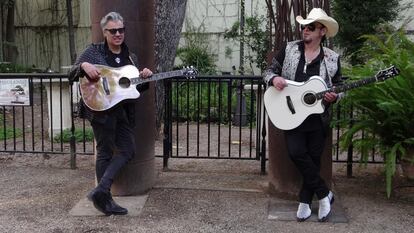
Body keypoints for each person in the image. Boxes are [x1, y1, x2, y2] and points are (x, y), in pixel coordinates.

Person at [68, 11, 153, 216]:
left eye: (121, 30)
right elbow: (71, 74)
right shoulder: (94, 52)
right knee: (105, 153)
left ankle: (101, 189)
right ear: (104, 32)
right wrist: (82, 66)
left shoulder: (130, 57)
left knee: (128, 149)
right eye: (113, 30)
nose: (118, 34)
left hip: (122, 112)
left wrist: (145, 79)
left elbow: (134, 90)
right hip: (100, 110)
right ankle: (105, 201)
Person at [264, 8, 342, 222]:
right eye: (303, 26)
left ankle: (306, 201)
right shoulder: (289, 49)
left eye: (310, 27)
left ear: (322, 32)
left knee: (314, 160)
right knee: (297, 152)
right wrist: (273, 80)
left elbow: (339, 86)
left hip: (318, 118)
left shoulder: (331, 59)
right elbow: (269, 71)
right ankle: (325, 193)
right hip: (292, 115)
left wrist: (335, 96)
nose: (305, 30)